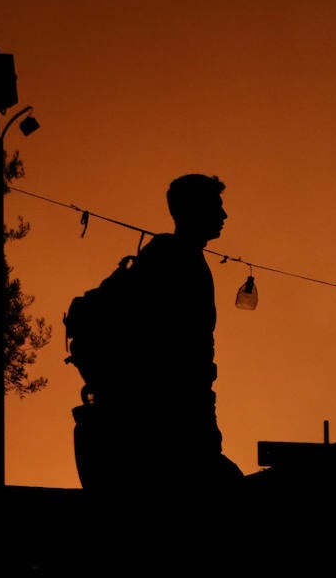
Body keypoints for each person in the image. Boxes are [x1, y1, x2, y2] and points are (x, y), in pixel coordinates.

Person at [83, 173, 245, 501]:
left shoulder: (175, 257)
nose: (224, 216)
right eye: (216, 206)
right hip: (170, 412)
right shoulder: (174, 259)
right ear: (193, 210)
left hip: (179, 406)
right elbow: (168, 344)